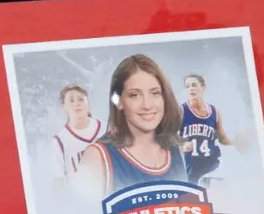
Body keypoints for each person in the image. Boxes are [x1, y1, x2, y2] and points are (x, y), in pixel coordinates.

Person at [76, 54, 188, 196]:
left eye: (155, 93)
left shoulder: (176, 149)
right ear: (119, 101)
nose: (147, 105)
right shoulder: (97, 158)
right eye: (135, 95)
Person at [179, 73, 231, 184]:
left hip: (213, 166)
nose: (191, 88)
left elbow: (222, 139)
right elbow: (169, 135)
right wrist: (182, 144)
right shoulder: (182, 110)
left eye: (194, 85)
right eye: (187, 86)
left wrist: (236, 141)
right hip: (192, 167)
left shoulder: (214, 111)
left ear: (203, 87)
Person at [47, 83, 104, 182]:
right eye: (71, 100)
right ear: (64, 106)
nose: (76, 103)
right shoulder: (59, 141)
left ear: (88, 102)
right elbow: (58, 180)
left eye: (81, 99)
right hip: (81, 195)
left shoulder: (106, 129)